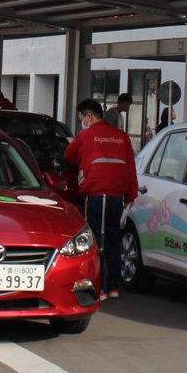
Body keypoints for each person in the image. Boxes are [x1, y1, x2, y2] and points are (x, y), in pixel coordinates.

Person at [63, 98, 137, 301]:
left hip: (95, 196)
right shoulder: (122, 137)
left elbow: (68, 156)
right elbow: (131, 168)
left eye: (81, 118)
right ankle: (113, 287)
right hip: (117, 198)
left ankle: (100, 287)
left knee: (95, 241)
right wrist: (132, 195)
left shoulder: (85, 136)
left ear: (88, 116)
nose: (81, 122)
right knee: (114, 240)